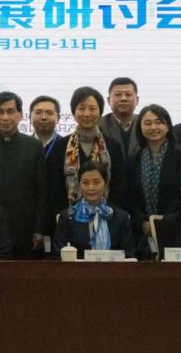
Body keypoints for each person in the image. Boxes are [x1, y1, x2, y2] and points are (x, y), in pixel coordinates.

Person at [0, 92, 47, 259]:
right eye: (0, 111)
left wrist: (39, 229)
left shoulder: (34, 146)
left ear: (20, 115)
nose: (5, 117)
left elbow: (42, 191)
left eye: (11, 111)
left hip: (23, 228)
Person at [47, 87, 128, 231]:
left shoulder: (112, 146)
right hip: (70, 222)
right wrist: (67, 216)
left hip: (107, 221)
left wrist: (108, 215)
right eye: (81, 108)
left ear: (100, 112)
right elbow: (54, 188)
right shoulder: (61, 146)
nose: (87, 114)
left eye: (92, 108)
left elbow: (119, 185)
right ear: (74, 112)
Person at [126, 104, 181, 238]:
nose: (153, 127)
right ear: (140, 128)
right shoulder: (134, 158)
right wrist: (142, 222)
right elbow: (131, 196)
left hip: (175, 226)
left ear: (168, 127)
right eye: (147, 123)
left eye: (159, 122)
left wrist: (164, 222)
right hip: (142, 230)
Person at [53, 161, 135, 259]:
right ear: (79, 185)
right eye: (85, 183)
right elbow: (58, 256)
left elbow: (129, 256)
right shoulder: (67, 217)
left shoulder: (121, 218)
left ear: (106, 184)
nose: (91, 188)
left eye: (96, 182)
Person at [99, 77, 141, 161]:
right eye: (118, 95)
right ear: (108, 100)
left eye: (128, 94)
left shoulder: (145, 124)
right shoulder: (99, 125)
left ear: (137, 100)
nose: (123, 98)